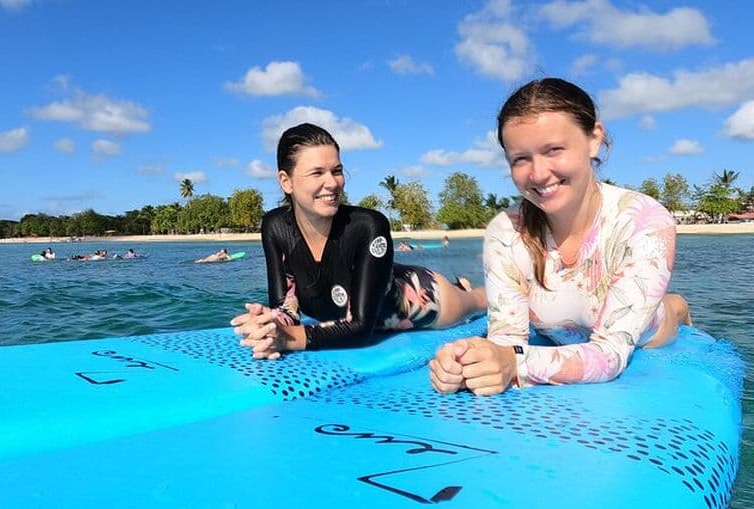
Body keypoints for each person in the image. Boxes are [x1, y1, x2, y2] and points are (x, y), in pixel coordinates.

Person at [430, 77, 691, 396]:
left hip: (649, 332)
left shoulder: (645, 221)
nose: (538, 174)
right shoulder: (506, 231)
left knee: (664, 316)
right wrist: (468, 363)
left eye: (554, 150)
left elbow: (609, 356)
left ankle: (676, 306)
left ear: (594, 139)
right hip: (563, 335)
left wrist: (514, 364)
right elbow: (506, 341)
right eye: (520, 159)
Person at [231, 122, 486, 359]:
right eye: (317, 173)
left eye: (337, 170)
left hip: (427, 299)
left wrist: (288, 339)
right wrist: (270, 323)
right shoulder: (275, 227)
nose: (332, 183)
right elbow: (286, 307)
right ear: (286, 181)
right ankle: (461, 283)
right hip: (377, 285)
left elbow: (361, 327)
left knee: (480, 302)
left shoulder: (368, 226)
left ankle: (467, 289)